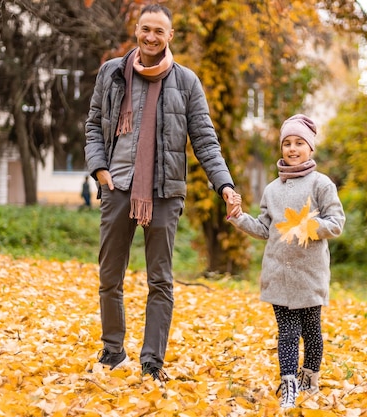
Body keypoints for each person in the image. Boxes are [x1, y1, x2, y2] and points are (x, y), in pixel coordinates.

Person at [84, 4, 239, 383]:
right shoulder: (111, 73)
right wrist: (100, 169)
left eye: (159, 31)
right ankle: (113, 351)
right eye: (145, 29)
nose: (151, 37)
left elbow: (204, 139)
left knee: (160, 280)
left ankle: (152, 362)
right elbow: (92, 125)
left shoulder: (186, 82)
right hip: (117, 187)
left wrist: (225, 184)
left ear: (170, 37)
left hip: (165, 193)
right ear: (137, 30)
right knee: (109, 276)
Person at [227, 114, 345, 408]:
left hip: (310, 274)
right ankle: (289, 385)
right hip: (278, 274)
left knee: (312, 334)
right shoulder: (272, 190)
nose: (292, 149)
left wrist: (310, 228)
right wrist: (239, 217)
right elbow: (265, 230)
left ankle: (310, 378)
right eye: (287, 143)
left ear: (310, 148)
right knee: (288, 334)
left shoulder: (322, 184)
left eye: (299, 143)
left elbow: (337, 222)